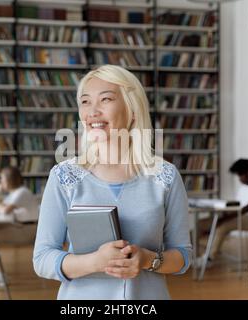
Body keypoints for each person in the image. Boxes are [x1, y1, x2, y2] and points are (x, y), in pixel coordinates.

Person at [33, 65, 192, 300]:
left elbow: (183, 257)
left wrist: (148, 260)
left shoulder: (165, 176)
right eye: (85, 102)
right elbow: (42, 259)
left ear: (133, 109)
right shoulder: (64, 177)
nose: (92, 111)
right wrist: (94, 262)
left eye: (105, 99)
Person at [207, 159, 248, 260]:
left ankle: (209, 258)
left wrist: (225, 218)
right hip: (239, 216)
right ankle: (189, 254)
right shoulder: (243, 187)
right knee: (202, 224)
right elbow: (237, 205)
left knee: (222, 227)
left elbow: (245, 209)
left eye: (240, 175)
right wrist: (224, 213)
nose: (239, 178)